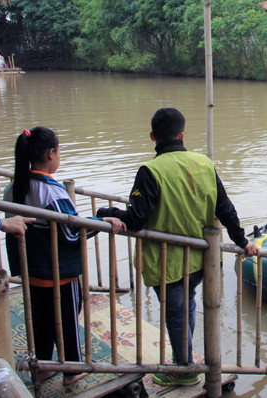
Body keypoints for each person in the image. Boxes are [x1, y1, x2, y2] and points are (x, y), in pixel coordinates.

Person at [96, 108, 258, 386]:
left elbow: (136, 219)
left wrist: (107, 212)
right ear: (182, 135)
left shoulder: (150, 171)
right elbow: (226, 208)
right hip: (202, 259)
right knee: (188, 305)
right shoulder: (205, 164)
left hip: (167, 262)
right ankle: (185, 361)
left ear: (152, 137)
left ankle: (183, 369)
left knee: (176, 313)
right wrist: (243, 242)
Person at [5, 127, 125, 386]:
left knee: (41, 320)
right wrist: (100, 221)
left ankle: (44, 366)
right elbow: (71, 234)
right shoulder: (53, 193)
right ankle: (72, 370)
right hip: (58, 273)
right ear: (51, 154)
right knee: (67, 320)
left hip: (32, 271)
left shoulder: (14, 188)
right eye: (59, 151)